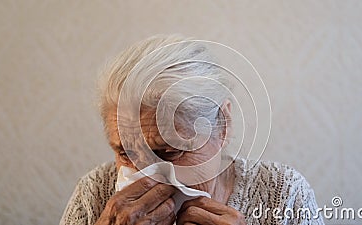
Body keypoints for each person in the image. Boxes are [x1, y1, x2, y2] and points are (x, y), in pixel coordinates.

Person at [60, 35, 325, 225]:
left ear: (223, 125)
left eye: (168, 153)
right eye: (126, 153)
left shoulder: (283, 193)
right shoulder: (95, 191)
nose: (146, 178)